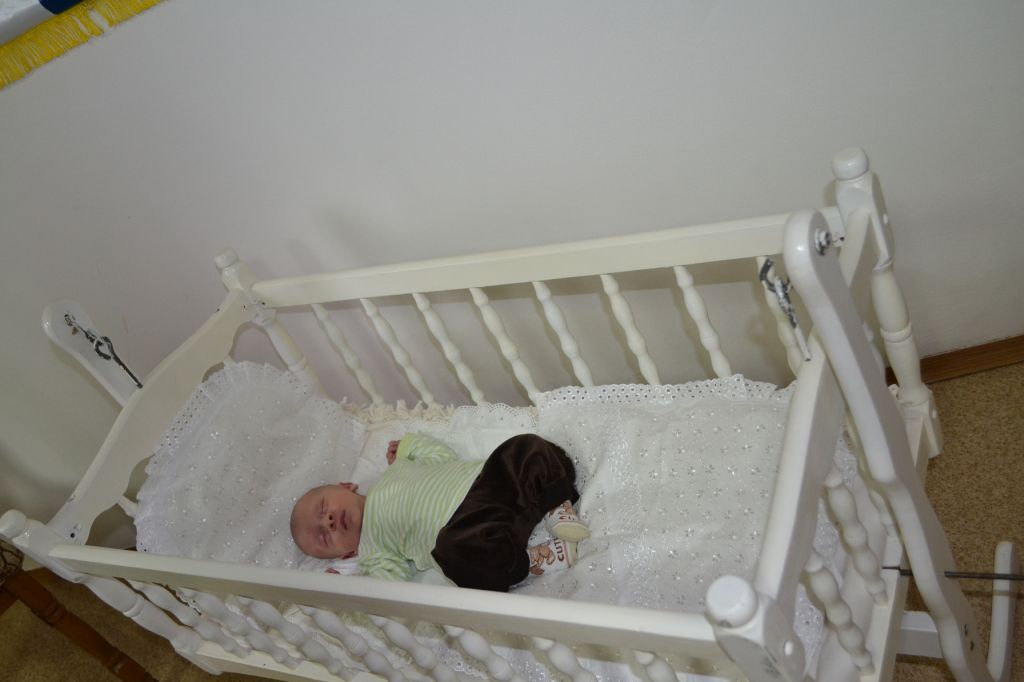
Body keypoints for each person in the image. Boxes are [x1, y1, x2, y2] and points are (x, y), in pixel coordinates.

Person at [290, 432, 589, 591]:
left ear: (345, 486)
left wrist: (408, 446)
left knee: (524, 447)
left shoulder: (396, 470)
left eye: (323, 508)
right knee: (453, 556)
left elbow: (442, 456)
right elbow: (391, 588)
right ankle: (534, 560)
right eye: (323, 536)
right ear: (345, 554)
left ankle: (556, 506)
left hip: (489, 483)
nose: (328, 521)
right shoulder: (372, 548)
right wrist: (352, 585)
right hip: (465, 530)